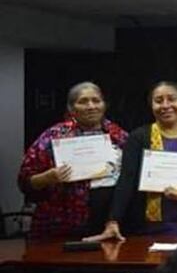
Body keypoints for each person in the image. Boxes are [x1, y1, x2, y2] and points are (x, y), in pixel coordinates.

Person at [89, 81, 177, 241]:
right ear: (151, 105)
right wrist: (113, 220)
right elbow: (127, 180)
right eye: (158, 101)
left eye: (171, 99)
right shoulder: (139, 137)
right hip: (146, 227)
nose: (165, 105)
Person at [18, 82, 128, 239]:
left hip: (109, 224)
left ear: (104, 105)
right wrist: (48, 177)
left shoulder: (119, 136)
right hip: (61, 226)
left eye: (96, 101)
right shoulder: (53, 136)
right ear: (71, 108)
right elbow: (24, 181)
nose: (91, 106)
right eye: (83, 101)